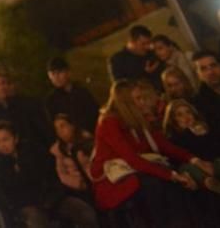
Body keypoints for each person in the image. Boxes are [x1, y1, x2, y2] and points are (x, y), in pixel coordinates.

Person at [89, 80, 210, 225]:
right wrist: (172, 176)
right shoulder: (109, 122)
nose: (143, 102)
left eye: (143, 98)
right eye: (138, 99)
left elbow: (164, 146)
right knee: (157, 184)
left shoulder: (138, 118)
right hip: (114, 179)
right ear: (126, 101)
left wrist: (195, 160)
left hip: (137, 170)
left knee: (176, 182)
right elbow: (131, 158)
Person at [0, 121, 98, 228]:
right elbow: (6, 194)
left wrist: (52, 196)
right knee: (37, 220)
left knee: (83, 211)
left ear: (15, 138)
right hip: (26, 205)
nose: (2, 145)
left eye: (5, 139)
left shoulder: (32, 150)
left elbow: (49, 174)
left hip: (50, 198)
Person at [0, 71, 52, 150]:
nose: (2, 87)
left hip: (32, 149)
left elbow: (40, 126)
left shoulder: (24, 103)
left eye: (4, 83)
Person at [163, 99, 220, 193]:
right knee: (189, 168)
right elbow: (182, 155)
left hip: (211, 162)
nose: (186, 117)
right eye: (180, 115)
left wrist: (204, 136)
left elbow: (215, 150)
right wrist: (189, 132)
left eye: (188, 112)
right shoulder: (173, 137)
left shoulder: (205, 128)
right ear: (173, 120)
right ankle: (210, 183)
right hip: (191, 167)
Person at [45, 56, 99, 135]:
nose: (56, 77)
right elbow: (53, 127)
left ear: (68, 72)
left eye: (59, 72)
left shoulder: (82, 92)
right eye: (53, 74)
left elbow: (94, 114)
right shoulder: (51, 100)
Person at [50, 113, 94, 198]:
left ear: (72, 126)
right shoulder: (58, 150)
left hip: (94, 178)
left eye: (62, 126)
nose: (60, 131)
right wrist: (78, 183)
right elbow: (61, 174)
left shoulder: (85, 138)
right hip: (79, 187)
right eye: (57, 129)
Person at [108, 25, 164, 89]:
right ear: (131, 42)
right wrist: (145, 73)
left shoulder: (151, 54)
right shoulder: (117, 60)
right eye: (143, 44)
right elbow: (120, 87)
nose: (147, 47)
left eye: (148, 43)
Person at [193, 50, 220, 130]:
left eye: (213, 65)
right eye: (203, 69)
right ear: (198, 75)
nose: (210, 72)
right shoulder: (199, 103)